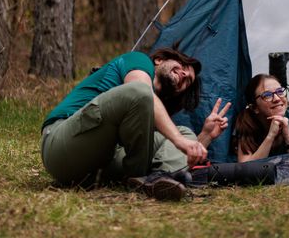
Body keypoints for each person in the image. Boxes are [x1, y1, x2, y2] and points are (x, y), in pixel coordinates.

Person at [40, 48, 231, 201]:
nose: (183, 75)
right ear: (160, 60)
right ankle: (146, 175)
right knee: (141, 94)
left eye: (187, 81)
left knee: (184, 131)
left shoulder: (152, 110)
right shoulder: (138, 61)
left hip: (100, 166)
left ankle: (154, 180)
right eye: (181, 66)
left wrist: (205, 136)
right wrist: (179, 140)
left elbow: (172, 147)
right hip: (60, 146)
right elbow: (141, 90)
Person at [232, 74, 289, 161]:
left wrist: (288, 139)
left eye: (280, 91)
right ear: (255, 108)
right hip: (262, 175)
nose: (277, 98)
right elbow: (245, 169)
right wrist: (270, 137)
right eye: (267, 95)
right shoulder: (247, 122)